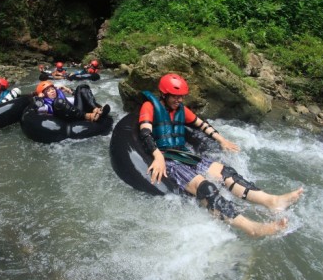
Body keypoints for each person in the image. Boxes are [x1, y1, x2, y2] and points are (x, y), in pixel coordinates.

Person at [138, 73, 304, 237]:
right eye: (175, 97)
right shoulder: (150, 107)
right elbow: (145, 133)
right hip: (168, 160)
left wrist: (222, 140)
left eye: (181, 97)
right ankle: (252, 228)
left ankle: (272, 201)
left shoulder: (182, 110)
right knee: (206, 188)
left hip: (183, 155)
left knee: (226, 173)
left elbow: (202, 125)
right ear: (164, 94)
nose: (179, 100)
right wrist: (157, 155)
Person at [34, 80, 110, 122]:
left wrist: (69, 91)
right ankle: (89, 116)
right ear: (44, 94)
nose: (52, 91)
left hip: (75, 114)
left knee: (81, 87)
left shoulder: (61, 96)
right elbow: (38, 108)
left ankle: (95, 109)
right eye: (48, 91)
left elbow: (77, 99)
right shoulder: (46, 105)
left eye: (53, 89)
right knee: (59, 102)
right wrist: (39, 98)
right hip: (66, 119)